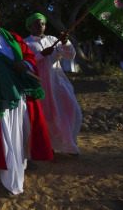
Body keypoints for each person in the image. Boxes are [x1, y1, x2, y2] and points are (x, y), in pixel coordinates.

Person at [0, 5, 53, 197]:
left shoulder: (15, 39)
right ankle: (10, 183)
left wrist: (24, 63)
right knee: (6, 140)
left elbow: (30, 57)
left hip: (22, 96)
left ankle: (21, 165)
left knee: (24, 133)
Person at [24, 13, 82, 155]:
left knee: (73, 111)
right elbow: (24, 64)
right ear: (30, 26)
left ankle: (68, 144)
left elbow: (70, 55)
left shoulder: (52, 40)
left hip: (58, 81)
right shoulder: (25, 43)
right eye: (37, 24)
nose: (40, 26)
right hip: (40, 84)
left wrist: (65, 42)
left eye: (43, 24)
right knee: (47, 117)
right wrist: (41, 55)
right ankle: (49, 146)